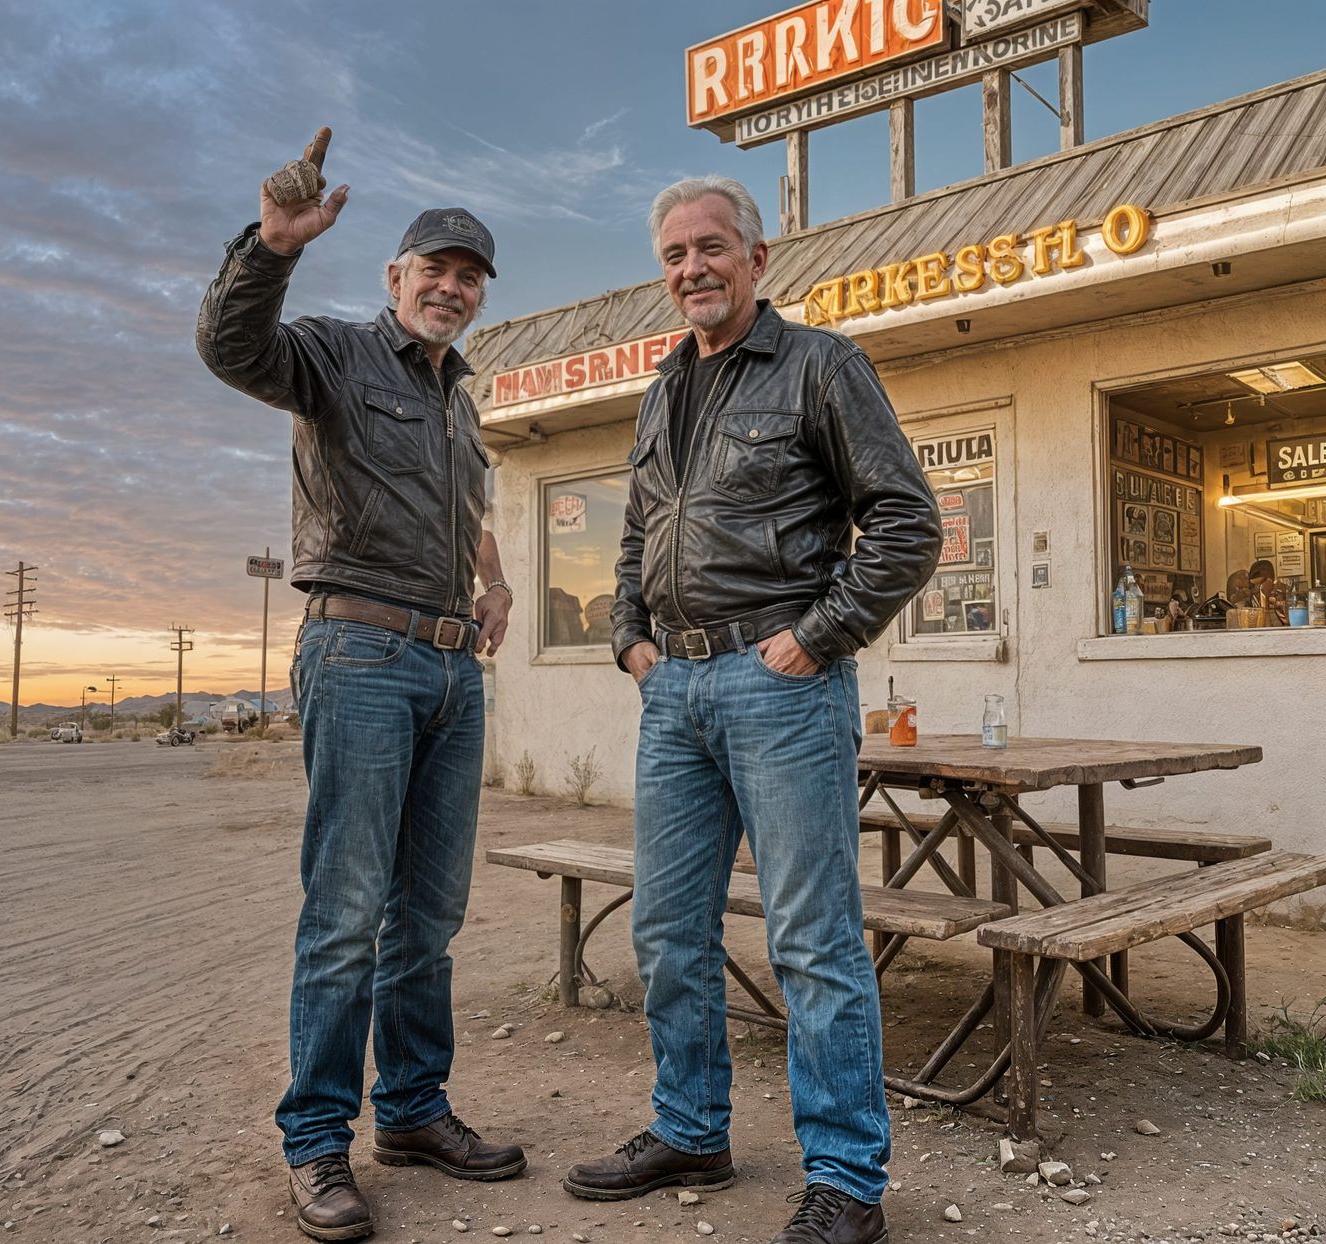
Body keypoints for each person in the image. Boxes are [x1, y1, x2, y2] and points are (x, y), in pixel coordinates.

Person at [563, 175, 941, 1244]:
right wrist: (626, 633)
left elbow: (907, 522)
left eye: (711, 247)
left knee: (811, 937)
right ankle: (690, 1123)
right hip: (671, 687)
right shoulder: (660, 389)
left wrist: (816, 635)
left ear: (756, 257)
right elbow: (639, 530)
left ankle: (846, 1178)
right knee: (668, 927)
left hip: (780, 685)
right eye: (675, 254)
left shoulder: (822, 365)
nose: (692, 268)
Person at [196, 127, 522, 1242]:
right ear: (395, 277)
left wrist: (494, 579)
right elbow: (232, 348)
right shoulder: (334, 354)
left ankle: (416, 1110)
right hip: (361, 655)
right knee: (346, 911)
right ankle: (317, 1140)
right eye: (434, 266)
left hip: (448, 666)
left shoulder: (458, 402)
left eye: (468, 273)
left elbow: (465, 505)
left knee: (427, 913)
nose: (452, 285)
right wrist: (271, 246)